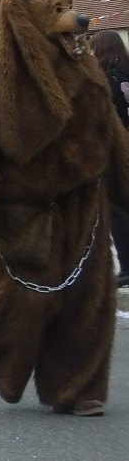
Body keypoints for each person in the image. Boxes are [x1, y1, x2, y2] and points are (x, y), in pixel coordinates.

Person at [91, 29, 129, 287]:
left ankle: (127, 266)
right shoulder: (126, 75)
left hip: (117, 153)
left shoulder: (104, 80)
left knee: (118, 211)